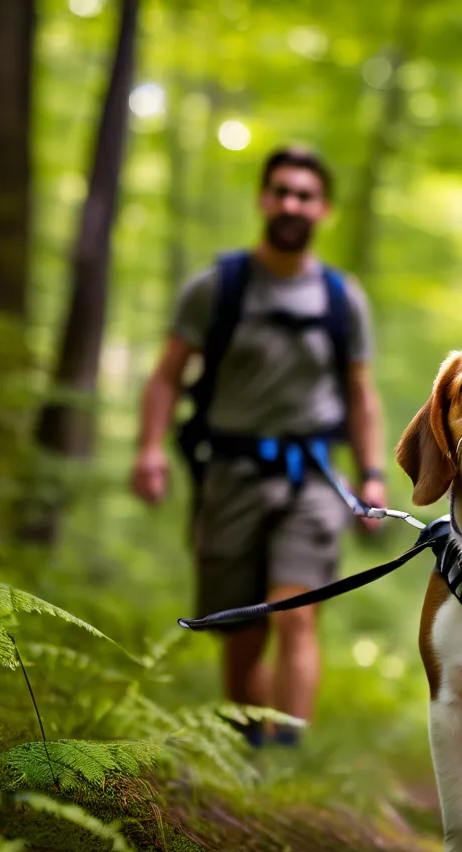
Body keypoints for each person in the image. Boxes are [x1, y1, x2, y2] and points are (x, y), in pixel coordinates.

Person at [130, 146, 387, 746]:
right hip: (230, 476)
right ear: (263, 200)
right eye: (281, 191)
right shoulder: (216, 289)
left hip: (314, 480)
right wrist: (149, 448)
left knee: (296, 617)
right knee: (243, 631)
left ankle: (290, 765)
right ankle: (252, 759)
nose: (291, 203)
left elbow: (361, 394)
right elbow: (167, 374)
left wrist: (371, 474)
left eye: (305, 195)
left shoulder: (342, 299)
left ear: (323, 209)